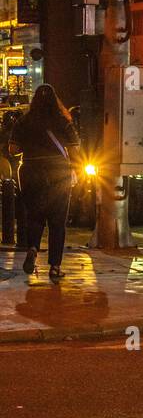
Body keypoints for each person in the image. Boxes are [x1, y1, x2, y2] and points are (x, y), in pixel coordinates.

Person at [8, 84, 81, 280]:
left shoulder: (24, 122)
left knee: (34, 215)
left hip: (31, 171)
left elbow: (13, 150)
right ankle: (55, 267)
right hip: (59, 173)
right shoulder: (63, 121)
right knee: (58, 221)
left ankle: (32, 248)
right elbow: (75, 150)